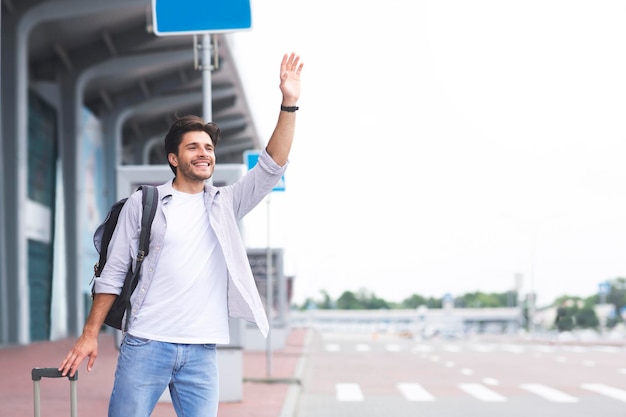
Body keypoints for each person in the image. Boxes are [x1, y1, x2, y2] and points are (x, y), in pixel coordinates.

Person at [59, 52, 303, 417]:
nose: (204, 154)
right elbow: (111, 273)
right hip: (146, 342)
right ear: (174, 158)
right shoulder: (144, 203)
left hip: (202, 350)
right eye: (193, 147)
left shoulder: (226, 203)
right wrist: (90, 333)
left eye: (208, 148)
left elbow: (271, 168)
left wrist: (289, 104)